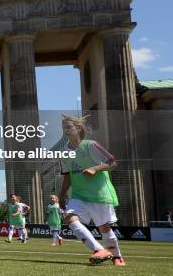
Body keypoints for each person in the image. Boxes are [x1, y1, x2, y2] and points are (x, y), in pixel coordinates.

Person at [59, 114, 125, 266]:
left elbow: (112, 163)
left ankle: (117, 257)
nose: (66, 131)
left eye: (69, 127)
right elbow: (67, 177)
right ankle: (98, 249)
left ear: (78, 128)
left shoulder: (91, 145)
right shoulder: (64, 152)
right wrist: (62, 196)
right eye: (64, 128)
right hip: (78, 195)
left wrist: (95, 168)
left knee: (104, 228)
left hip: (99, 194)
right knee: (69, 218)